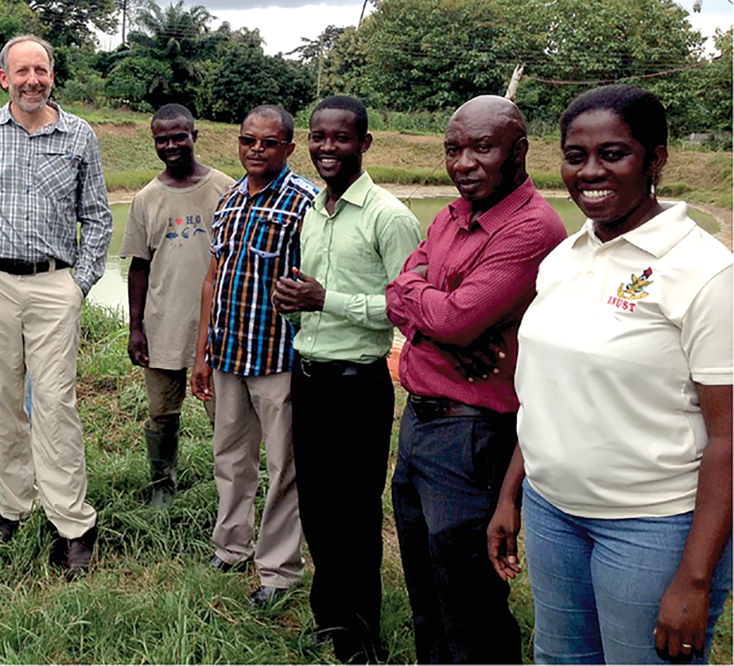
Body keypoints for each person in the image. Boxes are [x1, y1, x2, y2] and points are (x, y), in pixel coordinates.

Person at [486, 85, 732, 664]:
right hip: (553, 512)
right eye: (576, 156)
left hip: (652, 527)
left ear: (656, 158)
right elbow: (547, 392)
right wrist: (512, 492)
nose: (590, 171)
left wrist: (694, 580)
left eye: (613, 153)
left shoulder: (706, 273)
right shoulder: (563, 258)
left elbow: (729, 437)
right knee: (559, 659)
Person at [385, 95, 566, 664]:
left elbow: (454, 316)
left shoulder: (531, 228)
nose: (463, 163)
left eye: (481, 148)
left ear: (519, 151)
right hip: (420, 421)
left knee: (468, 595)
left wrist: (436, 310)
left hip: (473, 435)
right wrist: (439, 320)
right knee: (425, 583)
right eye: (453, 149)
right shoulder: (451, 215)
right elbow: (402, 299)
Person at [0, 34, 112, 573]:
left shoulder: (79, 134)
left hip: (53, 282)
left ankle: (72, 522)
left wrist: (77, 285)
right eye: (22, 71)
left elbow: (99, 217)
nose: (32, 80)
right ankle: (13, 505)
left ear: (52, 77)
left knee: (56, 401)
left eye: (41, 70)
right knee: (0, 397)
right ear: (4, 78)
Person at [273, 96, 421, 660]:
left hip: (358, 384)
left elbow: (406, 307)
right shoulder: (314, 209)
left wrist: (324, 298)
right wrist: (293, 302)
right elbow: (311, 296)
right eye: (318, 137)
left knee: (355, 512)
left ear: (364, 144)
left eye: (340, 138)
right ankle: (329, 619)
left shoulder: (390, 215)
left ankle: (360, 639)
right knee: (316, 505)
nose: (326, 148)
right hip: (308, 376)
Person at [192, 104, 316, 607]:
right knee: (230, 457)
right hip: (228, 353)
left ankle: (279, 570)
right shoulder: (228, 199)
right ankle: (232, 544)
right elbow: (213, 277)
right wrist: (203, 351)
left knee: (285, 466)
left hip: (279, 357)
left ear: (288, 147)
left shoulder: (307, 202)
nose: (256, 150)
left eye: (268, 142)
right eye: (248, 141)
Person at [120, 103, 234, 510]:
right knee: (162, 412)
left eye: (178, 136)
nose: (171, 145)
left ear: (195, 136)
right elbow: (138, 267)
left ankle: (231, 491)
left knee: (224, 416)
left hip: (219, 326)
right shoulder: (147, 198)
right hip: (163, 322)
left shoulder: (226, 189)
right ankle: (162, 485)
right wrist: (136, 328)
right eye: (161, 139)